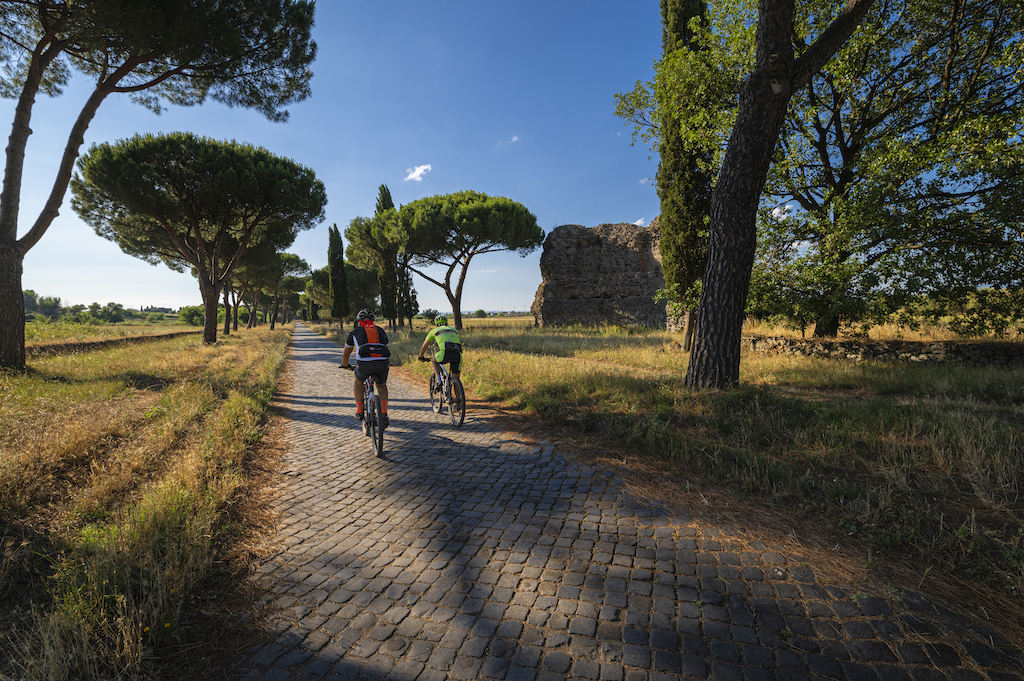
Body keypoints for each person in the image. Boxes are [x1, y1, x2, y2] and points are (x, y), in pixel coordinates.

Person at [341, 309, 390, 426]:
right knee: (382, 386)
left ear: (359, 321)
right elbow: (387, 350)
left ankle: (359, 411)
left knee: (358, 382)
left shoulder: (355, 332)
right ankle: (383, 413)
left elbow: (346, 353)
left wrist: (344, 365)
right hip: (382, 363)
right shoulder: (381, 331)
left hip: (363, 364)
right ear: (373, 320)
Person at [418, 314, 462, 389]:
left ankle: (438, 380)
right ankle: (459, 398)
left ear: (436, 324)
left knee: (434, 360)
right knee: (456, 379)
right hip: (458, 354)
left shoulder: (434, 331)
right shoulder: (454, 330)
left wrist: (420, 356)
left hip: (444, 353)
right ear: (446, 323)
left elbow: (424, 346)